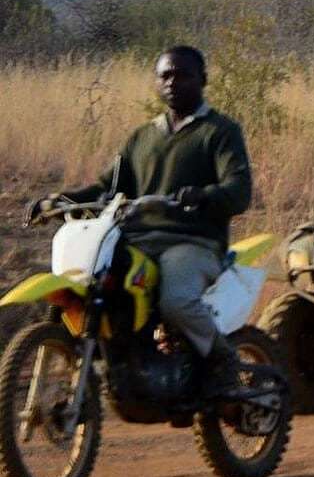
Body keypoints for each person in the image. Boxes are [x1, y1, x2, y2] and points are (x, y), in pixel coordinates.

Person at [31, 46, 253, 394]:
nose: (172, 83)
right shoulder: (143, 137)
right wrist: (59, 200)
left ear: (203, 79)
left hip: (192, 241)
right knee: (93, 284)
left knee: (176, 300)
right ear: (156, 82)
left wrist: (203, 195)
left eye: (182, 75)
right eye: (165, 76)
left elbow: (238, 189)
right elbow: (107, 187)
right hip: (137, 240)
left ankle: (223, 359)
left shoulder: (220, 131)